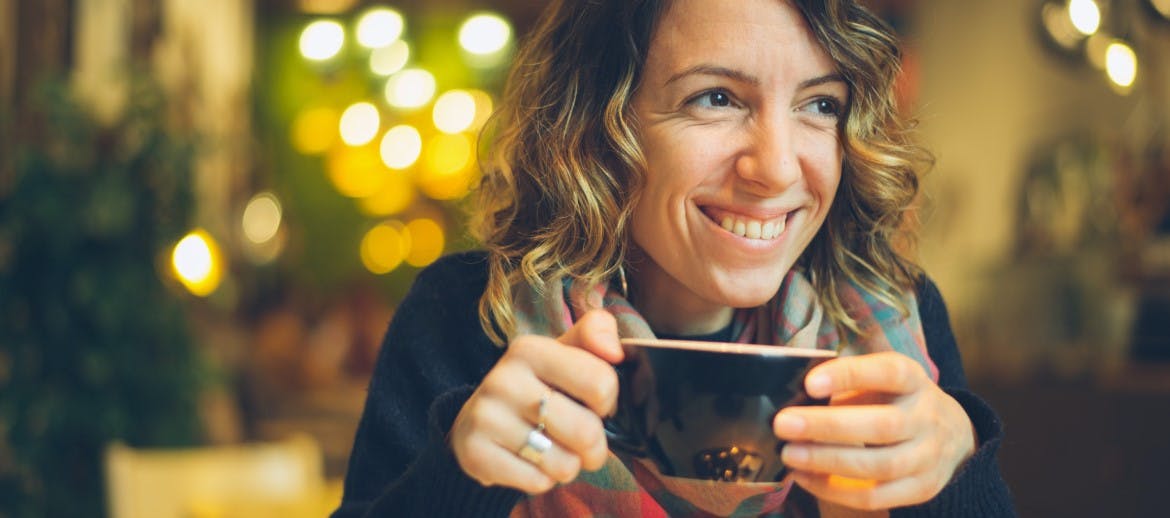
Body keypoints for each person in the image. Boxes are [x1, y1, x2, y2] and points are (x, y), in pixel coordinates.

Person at [332, 0, 1016, 516]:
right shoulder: (467, 317)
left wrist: (955, 472)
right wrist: (458, 478)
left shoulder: (897, 316)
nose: (776, 169)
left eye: (819, 104)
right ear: (600, 125)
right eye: (715, 98)